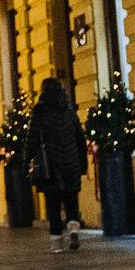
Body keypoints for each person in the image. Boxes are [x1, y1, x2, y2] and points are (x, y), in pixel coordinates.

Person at [26, 76, 88, 252]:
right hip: (71, 163)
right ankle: (74, 229)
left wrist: (26, 162)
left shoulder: (40, 113)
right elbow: (80, 139)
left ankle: (57, 243)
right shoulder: (69, 112)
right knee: (71, 201)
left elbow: (32, 140)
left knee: (53, 205)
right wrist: (82, 164)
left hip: (50, 166)